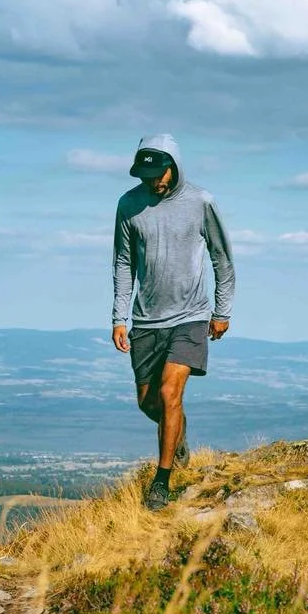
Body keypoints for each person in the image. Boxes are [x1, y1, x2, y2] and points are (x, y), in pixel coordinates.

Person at [111, 133, 235, 511]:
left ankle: (161, 482)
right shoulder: (129, 205)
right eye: (147, 176)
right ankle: (176, 436)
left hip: (191, 316)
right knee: (149, 403)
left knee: (170, 394)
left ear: (175, 165)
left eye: (160, 173)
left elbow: (221, 257)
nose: (155, 182)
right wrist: (119, 316)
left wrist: (221, 310)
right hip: (146, 319)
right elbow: (122, 263)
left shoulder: (201, 202)